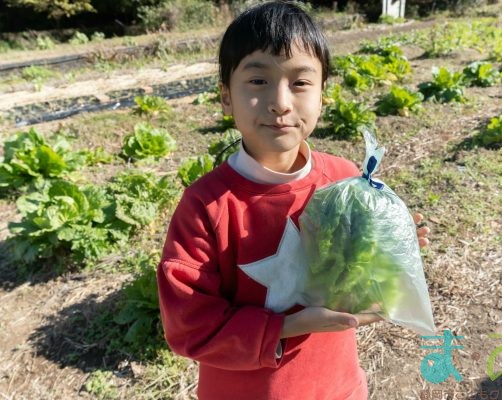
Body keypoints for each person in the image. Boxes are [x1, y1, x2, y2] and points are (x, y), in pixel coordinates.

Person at [157, 2, 430, 399]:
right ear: (225, 97)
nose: (280, 102)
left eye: (300, 83)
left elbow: (358, 280)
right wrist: (289, 326)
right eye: (257, 81)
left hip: (337, 386)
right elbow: (188, 325)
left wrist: (390, 259)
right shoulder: (206, 205)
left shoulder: (343, 179)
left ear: (323, 95)